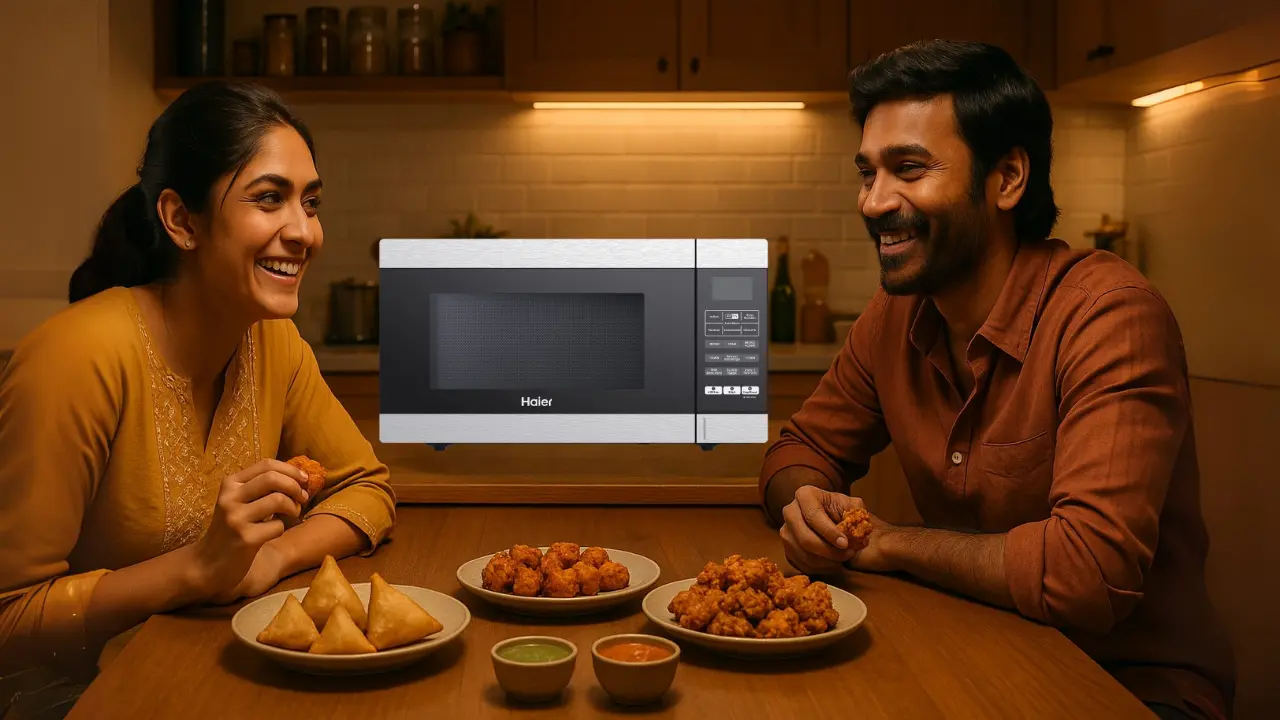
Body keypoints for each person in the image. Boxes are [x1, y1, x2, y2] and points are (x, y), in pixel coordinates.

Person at [761, 41, 1233, 720]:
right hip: (976, 658)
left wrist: (889, 541)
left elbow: (1087, 576)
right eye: (868, 173)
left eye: (909, 169)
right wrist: (806, 503)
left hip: (1132, 688)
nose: (874, 201)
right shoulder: (894, 317)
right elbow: (795, 451)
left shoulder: (1110, 316)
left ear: (1007, 178)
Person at [0, 81, 396, 680]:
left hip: (205, 674)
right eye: (270, 199)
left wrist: (270, 559)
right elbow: (10, 618)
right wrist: (198, 568)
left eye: (311, 203)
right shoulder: (75, 356)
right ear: (181, 220)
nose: (305, 232)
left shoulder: (274, 341)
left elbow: (367, 488)